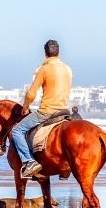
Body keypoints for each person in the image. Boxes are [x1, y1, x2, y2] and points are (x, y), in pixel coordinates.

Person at [11, 39, 73, 178]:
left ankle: (29, 161)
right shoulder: (68, 69)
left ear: (45, 54)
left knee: (17, 131)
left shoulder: (44, 69)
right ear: (59, 53)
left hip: (47, 111)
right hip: (64, 111)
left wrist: (25, 108)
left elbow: (31, 94)